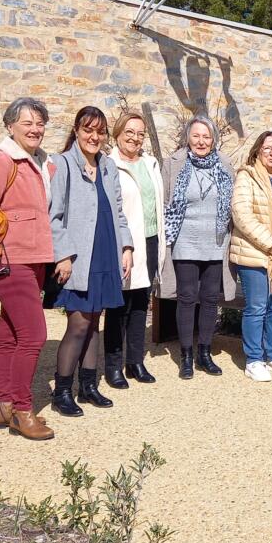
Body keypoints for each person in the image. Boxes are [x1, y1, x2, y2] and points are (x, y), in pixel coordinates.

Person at [0, 97, 56, 441]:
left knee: (10, 333)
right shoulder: (0, 160)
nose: (35, 129)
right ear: (10, 126)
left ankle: (0, 404)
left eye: (40, 123)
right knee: (34, 335)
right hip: (9, 260)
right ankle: (21, 409)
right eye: (27, 123)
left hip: (33, 260)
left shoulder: (41, 163)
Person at [48, 105, 134, 416]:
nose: (94, 137)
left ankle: (88, 385)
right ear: (76, 130)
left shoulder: (108, 166)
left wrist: (126, 247)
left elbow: (118, 212)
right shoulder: (63, 164)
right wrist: (64, 255)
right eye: (88, 130)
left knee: (95, 321)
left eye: (99, 132)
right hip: (79, 256)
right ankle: (62, 391)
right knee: (79, 323)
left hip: (105, 251)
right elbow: (53, 216)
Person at [159, 115, 235, 380]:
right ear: (188, 138)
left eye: (206, 136)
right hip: (185, 241)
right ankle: (187, 355)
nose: (201, 141)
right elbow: (166, 201)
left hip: (215, 242)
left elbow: (232, 203)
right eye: (196, 136)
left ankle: (205, 351)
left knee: (211, 299)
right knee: (187, 297)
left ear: (213, 139)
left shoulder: (225, 165)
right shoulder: (174, 164)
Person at [104, 111, 166, 389]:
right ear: (117, 134)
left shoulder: (150, 163)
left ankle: (136, 361)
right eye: (129, 132)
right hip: (124, 244)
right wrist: (120, 245)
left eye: (140, 133)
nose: (135, 138)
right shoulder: (109, 165)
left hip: (150, 241)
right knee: (118, 306)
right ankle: (113, 366)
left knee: (141, 302)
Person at [230, 130, 272, 382]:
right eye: (267, 148)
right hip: (256, 254)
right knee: (257, 307)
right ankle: (254, 359)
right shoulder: (247, 177)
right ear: (258, 150)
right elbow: (242, 215)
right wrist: (271, 244)